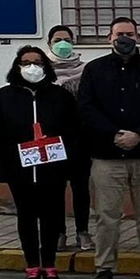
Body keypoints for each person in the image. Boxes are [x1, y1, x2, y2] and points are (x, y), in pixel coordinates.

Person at [78, 16, 140, 279]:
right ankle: (104, 268)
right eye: (120, 34)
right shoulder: (94, 70)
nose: (125, 38)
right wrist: (114, 134)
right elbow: (86, 108)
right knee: (107, 215)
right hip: (107, 155)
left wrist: (139, 134)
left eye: (130, 34)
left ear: (138, 37)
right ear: (109, 38)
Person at [0, 46, 85, 279]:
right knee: (26, 218)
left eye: (37, 62)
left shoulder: (61, 96)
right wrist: (6, 161)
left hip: (54, 169)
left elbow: (75, 131)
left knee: (52, 217)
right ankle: (31, 266)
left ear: (46, 66)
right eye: (26, 62)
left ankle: (49, 265)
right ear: (17, 67)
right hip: (20, 171)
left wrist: (67, 159)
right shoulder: (3, 96)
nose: (32, 67)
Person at [47, 24, 93, 251]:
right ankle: (59, 233)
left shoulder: (85, 71)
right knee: (55, 189)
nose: (62, 43)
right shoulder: (42, 71)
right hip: (53, 141)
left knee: (81, 189)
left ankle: (83, 232)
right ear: (49, 44)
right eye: (57, 40)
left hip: (80, 140)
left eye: (66, 39)